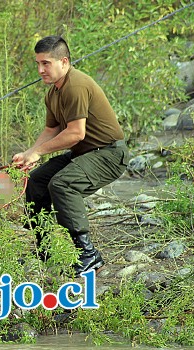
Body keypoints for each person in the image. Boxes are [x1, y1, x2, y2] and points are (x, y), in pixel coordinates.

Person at [12, 35, 129, 275]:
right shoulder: (53, 93)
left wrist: (40, 152)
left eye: (46, 63)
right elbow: (51, 130)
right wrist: (29, 153)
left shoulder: (75, 85)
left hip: (109, 154)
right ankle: (45, 249)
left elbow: (76, 133)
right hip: (84, 153)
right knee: (36, 182)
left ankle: (88, 254)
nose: (40, 69)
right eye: (38, 63)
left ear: (64, 62)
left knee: (63, 185)